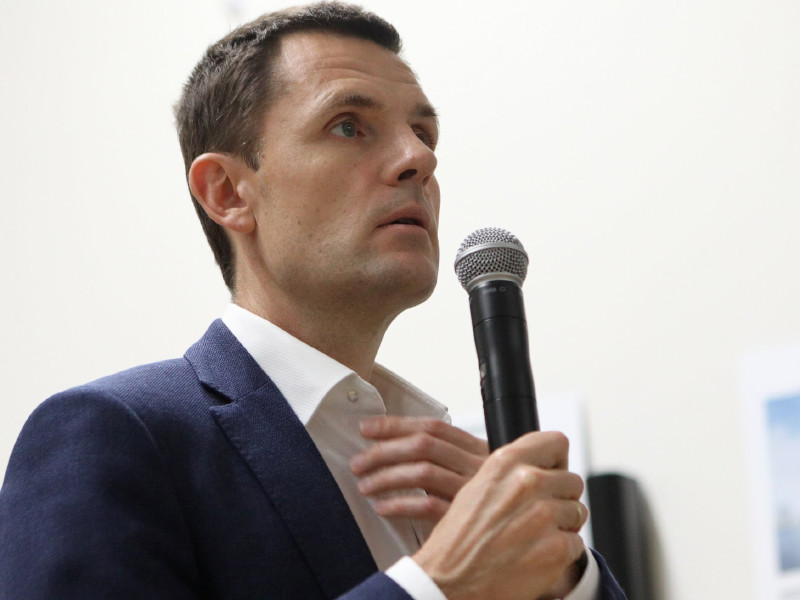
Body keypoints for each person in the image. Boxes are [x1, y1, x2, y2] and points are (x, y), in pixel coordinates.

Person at [0, 3, 626, 599]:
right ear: (228, 192)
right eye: (348, 125)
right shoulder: (113, 436)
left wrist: (562, 576)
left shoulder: (446, 462)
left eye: (423, 132)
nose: (419, 158)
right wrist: (439, 587)